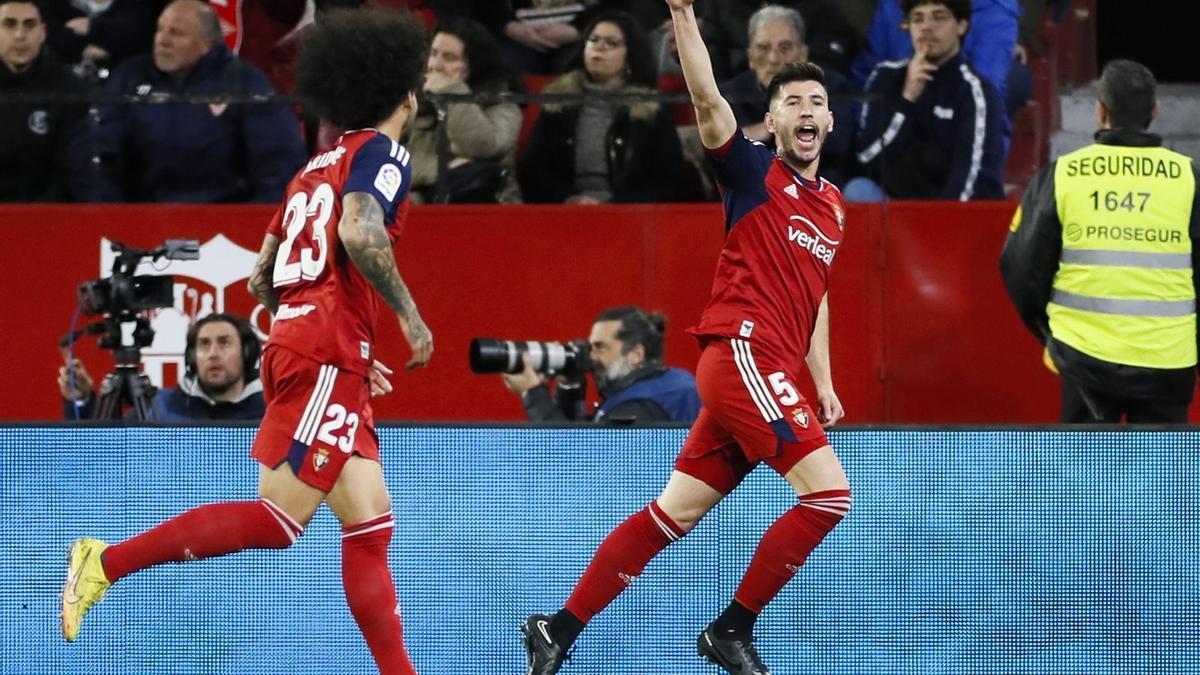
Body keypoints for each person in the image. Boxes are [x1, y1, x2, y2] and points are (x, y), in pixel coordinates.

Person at [60, 9, 435, 675]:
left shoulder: (310, 169)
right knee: (280, 521)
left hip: (311, 345)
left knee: (370, 524)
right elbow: (357, 230)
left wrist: (328, 333)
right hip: (323, 351)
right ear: (407, 94)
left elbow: (263, 276)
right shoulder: (384, 153)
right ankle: (106, 560)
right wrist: (407, 318)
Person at [521, 0, 851, 672]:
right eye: (793, 102)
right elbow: (704, 95)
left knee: (672, 515)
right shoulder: (753, 172)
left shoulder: (835, 205)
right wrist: (683, 14)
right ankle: (731, 628)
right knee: (829, 495)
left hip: (770, 372)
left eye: (816, 101)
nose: (807, 111)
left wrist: (822, 378)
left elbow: (817, 296)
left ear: (831, 118)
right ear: (776, 118)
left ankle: (556, 627)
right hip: (743, 355)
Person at [1000, 59, 1200, 424]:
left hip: (1083, 360)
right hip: (1168, 362)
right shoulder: (1188, 178)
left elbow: (1019, 266)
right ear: (1154, 111)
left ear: (1100, 111)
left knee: (1084, 478)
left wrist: (1052, 334)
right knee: (1164, 478)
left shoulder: (1063, 175)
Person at [84, 0, 306, 203]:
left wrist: (257, 223)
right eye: (160, 29)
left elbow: (278, 161)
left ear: (206, 44)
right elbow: (100, 154)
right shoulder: (129, 78)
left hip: (225, 217)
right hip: (141, 216)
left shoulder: (244, 82)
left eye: (176, 33)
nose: (163, 40)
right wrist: (109, 214)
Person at [517, 10, 685, 204]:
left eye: (611, 43)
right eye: (593, 40)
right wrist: (568, 199)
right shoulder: (559, 103)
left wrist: (613, 205)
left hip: (632, 216)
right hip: (566, 214)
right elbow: (533, 170)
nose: (599, 48)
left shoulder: (652, 109)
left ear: (631, 55)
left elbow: (667, 181)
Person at [849, 0, 1007, 202]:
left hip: (949, 217)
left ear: (961, 25)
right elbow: (867, 158)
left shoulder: (975, 92)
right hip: (894, 212)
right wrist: (907, 101)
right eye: (917, 18)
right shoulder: (885, 77)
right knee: (858, 191)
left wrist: (933, 225)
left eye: (938, 17)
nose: (926, 26)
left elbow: (972, 180)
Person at [717, 3, 856, 186]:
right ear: (750, 56)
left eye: (785, 48)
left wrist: (771, 129)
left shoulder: (830, 87)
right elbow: (721, 153)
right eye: (763, 48)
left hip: (820, 190)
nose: (773, 59)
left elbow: (839, 143)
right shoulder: (730, 96)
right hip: (755, 194)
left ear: (803, 54)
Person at [500, 306, 701, 423]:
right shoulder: (668, 383)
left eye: (600, 347)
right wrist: (569, 386)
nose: (591, 356)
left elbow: (578, 463)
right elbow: (579, 436)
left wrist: (532, 393)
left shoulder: (643, 405)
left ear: (635, 355)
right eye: (590, 347)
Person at [57, 313, 266, 421]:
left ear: (247, 353)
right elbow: (101, 450)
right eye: (203, 344)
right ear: (192, 357)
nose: (213, 354)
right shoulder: (162, 408)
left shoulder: (271, 412)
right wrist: (81, 399)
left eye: (224, 343)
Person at [409, 16, 524, 204]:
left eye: (449, 58)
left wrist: (454, 92)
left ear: (474, 66)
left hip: (489, 205)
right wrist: (443, 168)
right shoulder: (410, 102)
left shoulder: (503, 105)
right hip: (426, 200)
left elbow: (480, 148)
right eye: (433, 53)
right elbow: (392, 162)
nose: (435, 65)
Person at [0, 0, 90, 201]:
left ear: (43, 33)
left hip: (47, 216)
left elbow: (78, 170)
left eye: (29, 25)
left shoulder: (69, 89)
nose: (20, 35)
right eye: (9, 24)